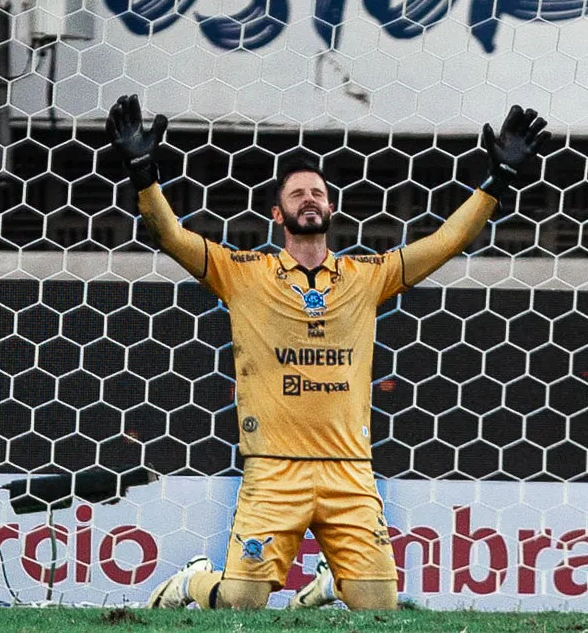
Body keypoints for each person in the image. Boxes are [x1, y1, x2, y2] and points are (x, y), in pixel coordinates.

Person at [103, 95, 549, 611]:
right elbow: (169, 235)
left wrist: (497, 182)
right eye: (297, 193)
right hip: (273, 470)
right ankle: (193, 582)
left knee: (380, 610)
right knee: (241, 604)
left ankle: (330, 581)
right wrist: (143, 174)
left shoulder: (367, 276)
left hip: (349, 469)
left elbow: (448, 241)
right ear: (278, 212)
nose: (309, 198)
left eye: (317, 192)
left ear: (331, 207)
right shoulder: (243, 273)